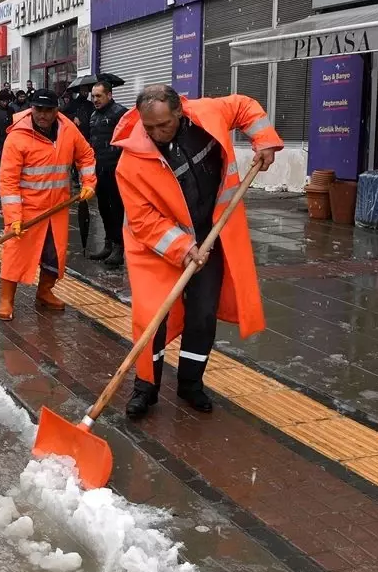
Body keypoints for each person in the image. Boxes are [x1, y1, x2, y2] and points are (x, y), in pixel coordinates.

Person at [112, 84, 282, 418]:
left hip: (211, 233)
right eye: (149, 128)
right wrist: (183, 247)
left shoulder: (207, 114)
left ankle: (191, 384)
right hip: (157, 246)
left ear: (179, 112)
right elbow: (144, 220)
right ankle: (145, 387)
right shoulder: (130, 162)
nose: (157, 134)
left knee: (203, 314)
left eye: (164, 125)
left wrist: (264, 141)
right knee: (151, 319)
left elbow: (246, 104)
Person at [0, 90, 96, 321]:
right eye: (38, 109)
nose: (43, 115)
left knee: (54, 254)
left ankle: (45, 291)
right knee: (15, 252)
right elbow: (8, 180)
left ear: (56, 110)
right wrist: (13, 218)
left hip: (58, 208)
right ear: (31, 108)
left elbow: (86, 155)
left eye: (48, 110)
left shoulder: (68, 129)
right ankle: (6, 299)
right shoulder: (17, 137)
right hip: (27, 208)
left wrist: (89, 182)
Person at [86, 79, 129, 267]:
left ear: (109, 95)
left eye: (98, 96)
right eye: (93, 96)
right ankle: (108, 244)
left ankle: (120, 247)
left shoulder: (120, 113)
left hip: (117, 171)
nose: (95, 99)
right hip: (100, 170)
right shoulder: (94, 115)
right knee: (103, 208)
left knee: (117, 209)